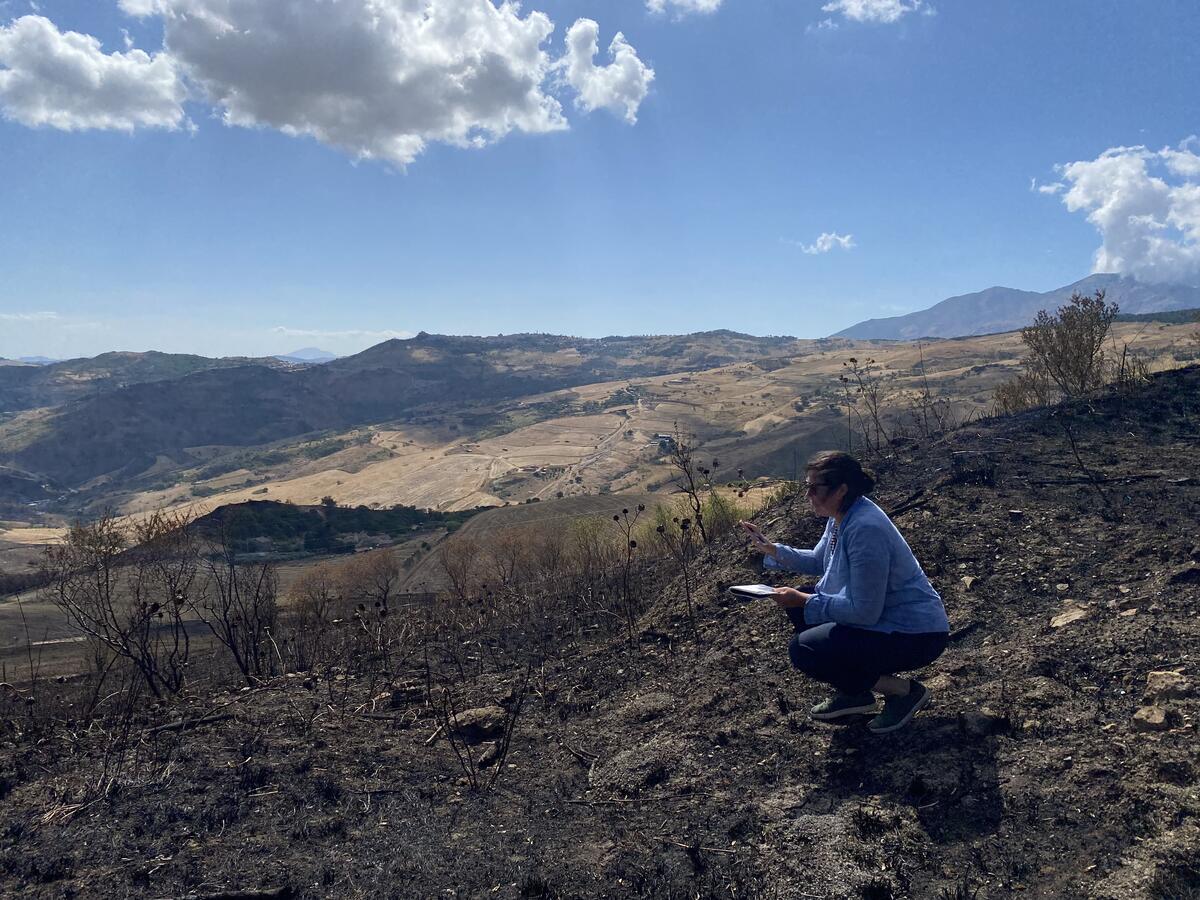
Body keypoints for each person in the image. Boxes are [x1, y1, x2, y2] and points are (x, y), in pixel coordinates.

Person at [739, 450, 949, 734]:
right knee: (800, 604)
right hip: (885, 620)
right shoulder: (842, 515)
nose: (808, 495)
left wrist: (805, 601)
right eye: (807, 487)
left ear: (841, 489)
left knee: (803, 648)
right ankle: (856, 693)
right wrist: (772, 549)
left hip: (915, 635)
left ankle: (903, 692)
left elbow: (864, 611)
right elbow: (818, 560)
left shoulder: (865, 529)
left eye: (816, 488)